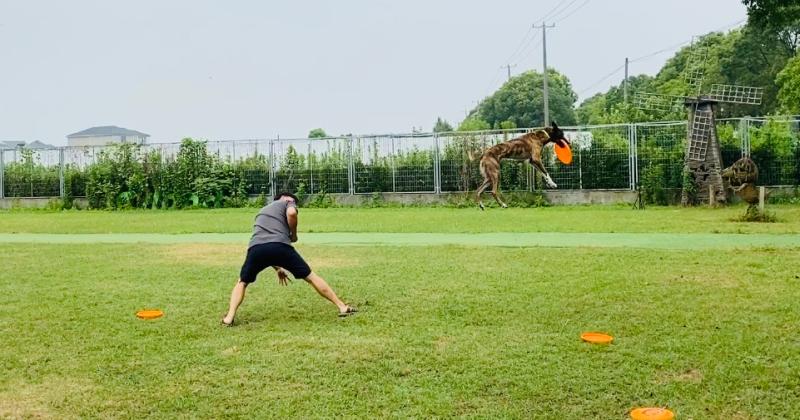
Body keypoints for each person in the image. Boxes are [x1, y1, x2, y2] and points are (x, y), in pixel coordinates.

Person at [222, 192, 357, 326]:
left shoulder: (262, 211)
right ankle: (342, 306)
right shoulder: (287, 202)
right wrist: (293, 235)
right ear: (283, 198)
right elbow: (291, 214)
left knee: (242, 282)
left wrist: (278, 268)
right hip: (281, 246)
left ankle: (229, 317)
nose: (293, 202)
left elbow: (266, 245)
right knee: (311, 277)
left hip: (256, 248)